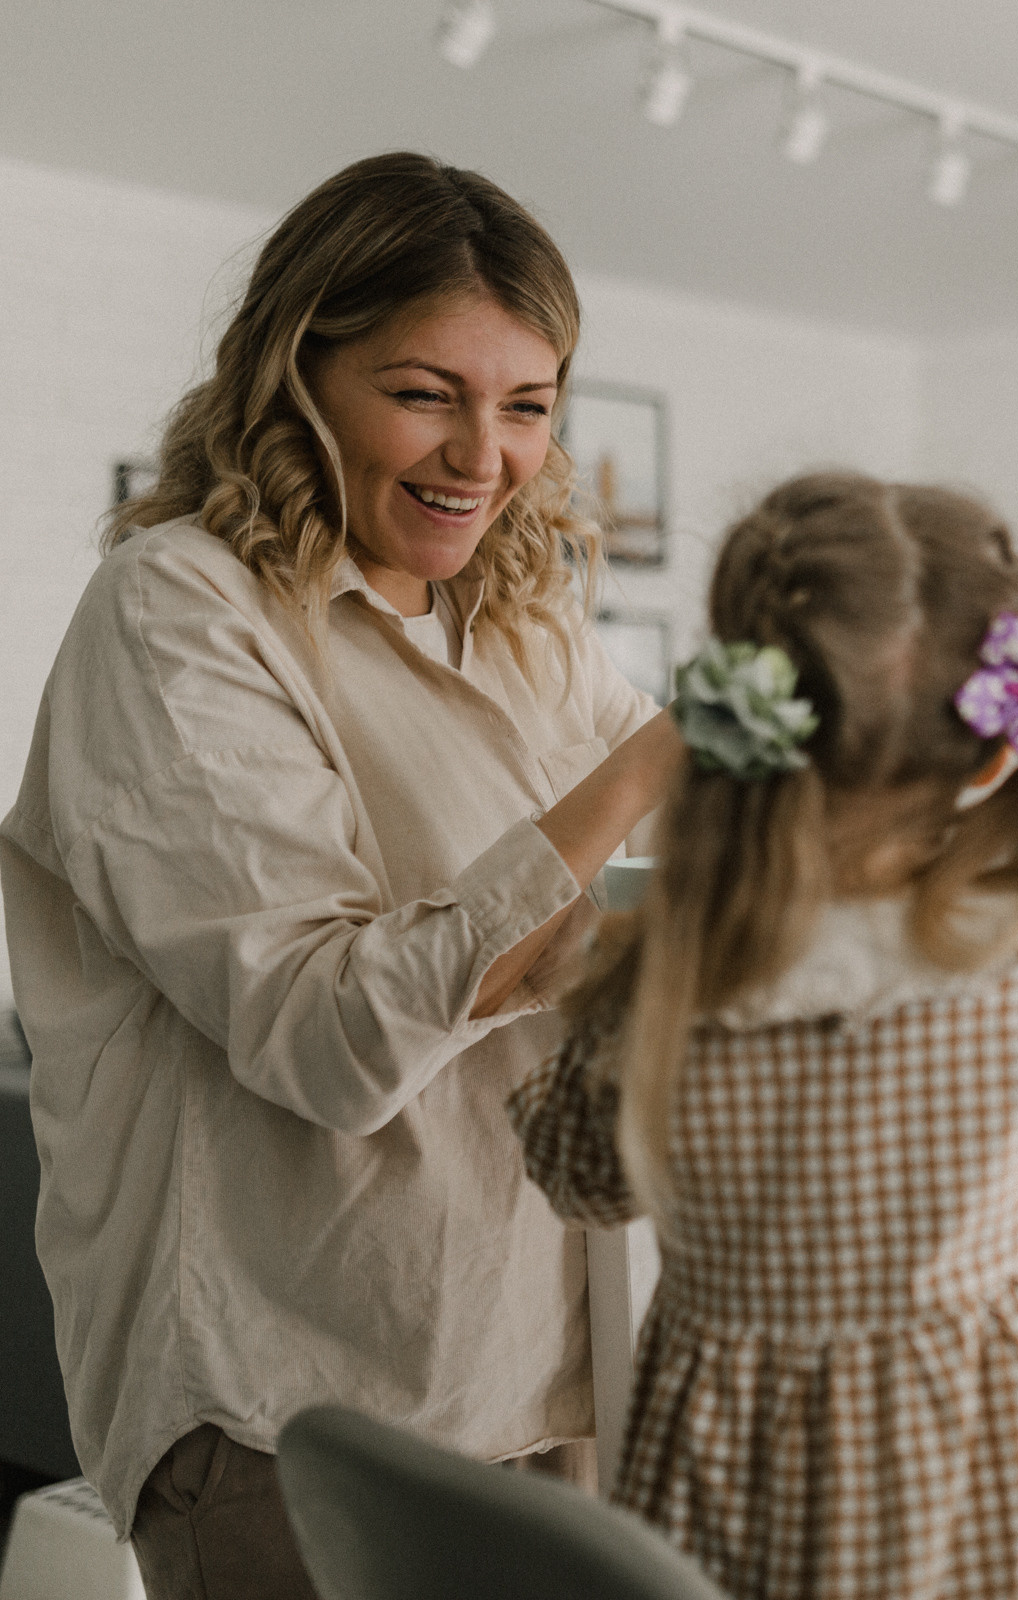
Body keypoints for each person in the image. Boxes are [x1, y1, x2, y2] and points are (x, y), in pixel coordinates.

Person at [0, 153, 683, 1600]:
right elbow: (326, 1034)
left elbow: (694, 857)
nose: (483, 457)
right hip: (298, 1405)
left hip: (547, 1363)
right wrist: (663, 760)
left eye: (527, 406)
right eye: (425, 393)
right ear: (295, 373)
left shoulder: (521, 627)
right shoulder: (177, 609)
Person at [508, 471, 1018, 1600]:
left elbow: (575, 1172)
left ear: (736, 730)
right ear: (1005, 742)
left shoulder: (662, 972)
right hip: (990, 1478)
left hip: (724, 1496)